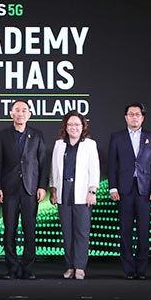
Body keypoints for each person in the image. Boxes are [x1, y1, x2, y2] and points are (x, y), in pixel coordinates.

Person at [0, 100, 48, 280]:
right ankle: (12, 268)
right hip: (9, 190)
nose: (21, 113)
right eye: (17, 110)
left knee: (29, 230)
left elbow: (42, 163)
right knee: (10, 230)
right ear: (11, 114)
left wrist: (42, 186)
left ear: (29, 114)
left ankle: (28, 268)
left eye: (24, 110)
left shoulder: (37, 135)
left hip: (30, 189)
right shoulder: (2, 135)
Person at [107, 102, 151, 280]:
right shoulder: (117, 137)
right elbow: (112, 164)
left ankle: (141, 269)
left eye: (137, 114)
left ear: (142, 117)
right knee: (125, 231)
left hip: (145, 190)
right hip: (124, 190)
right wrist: (112, 187)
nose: (134, 117)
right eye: (131, 114)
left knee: (144, 231)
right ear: (126, 117)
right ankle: (129, 269)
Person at [49, 111, 100, 280]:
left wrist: (92, 191)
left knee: (82, 232)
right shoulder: (59, 144)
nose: (73, 127)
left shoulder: (89, 144)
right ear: (65, 127)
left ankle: (80, 267)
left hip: (83, 192)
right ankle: (70, 266)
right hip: (64, 190)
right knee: (67, 232)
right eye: (70, 124)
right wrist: (53, 190)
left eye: (77, 124)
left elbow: (94, 169)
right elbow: (54, 170)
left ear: (83, 126)